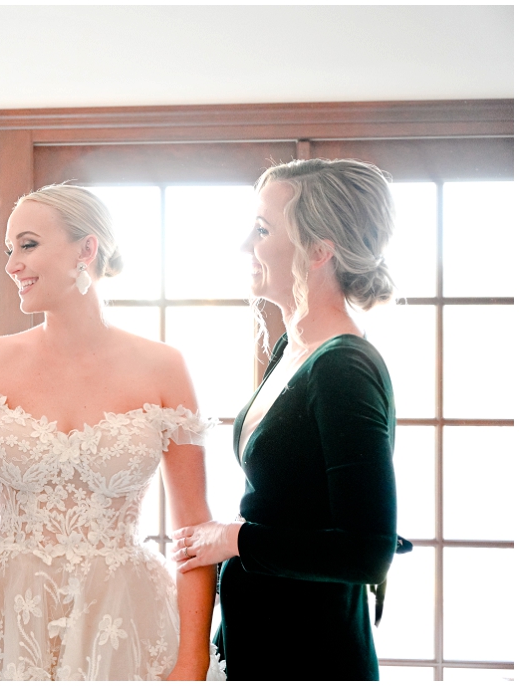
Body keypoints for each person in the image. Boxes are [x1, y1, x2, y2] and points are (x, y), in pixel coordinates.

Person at [0, 184, 225, 680]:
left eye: (29, 244)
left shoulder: (164, 368)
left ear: (87, 249)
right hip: (7, 611)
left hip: (121, 614)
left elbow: (194, 529)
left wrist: (190, 662)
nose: (12, 264)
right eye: (9, 249)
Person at [172, 158, 398, 680]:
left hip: (313, 654)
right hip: (261, 641)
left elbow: (367, 551)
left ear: (320, 251)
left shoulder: (343, 367)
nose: (244, 245)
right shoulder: (289, 350)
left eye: (262, 228)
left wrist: (233, 540)